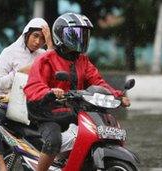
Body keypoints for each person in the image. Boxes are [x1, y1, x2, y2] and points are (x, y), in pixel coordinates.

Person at [23, 13, 131, 171]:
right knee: (54, 141)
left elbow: (97, 81)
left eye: (84, 35)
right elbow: (33, 86)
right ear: (61, 35)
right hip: (47, 112)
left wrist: (118, 96)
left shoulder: (82, 60)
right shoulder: (46, 59)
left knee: (96, 131)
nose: (81, 39)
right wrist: (50, 91)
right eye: (75, 35)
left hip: (72, 110)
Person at [0, 18, 53, 171]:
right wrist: (19, 73)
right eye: (35, 36)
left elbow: (53, 63)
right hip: (8, 105)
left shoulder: (43, 55)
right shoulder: (9, 52)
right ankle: (2, 167)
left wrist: (50, 43)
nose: (37, 42)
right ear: (26, 34)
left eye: (42, 38)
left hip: (31, 108)